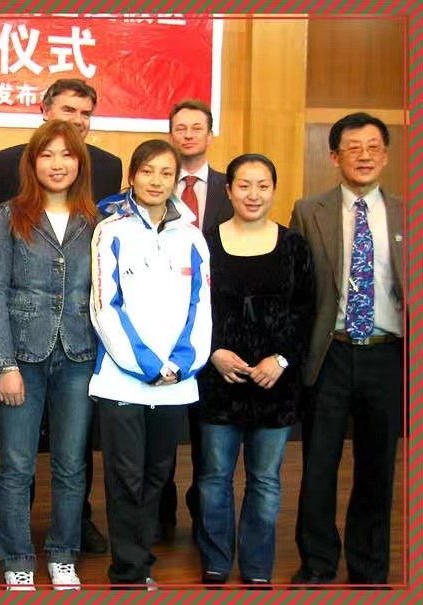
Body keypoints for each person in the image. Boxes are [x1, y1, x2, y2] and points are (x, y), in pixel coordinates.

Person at [0, 77, 121, 554]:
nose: (58, 164)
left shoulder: (97, 222)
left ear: (80, 163)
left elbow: (106, 296)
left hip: (79, 358)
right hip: (22, 355)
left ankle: (64, 553)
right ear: (32, 161)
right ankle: (16, 556)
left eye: (68, 155)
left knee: (71, 464)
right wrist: (4, 364)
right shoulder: (8, 215)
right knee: (17, 465)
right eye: (47, 155)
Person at [90, 139, 211, 587]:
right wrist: (144, 364)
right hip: (123, 379)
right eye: (148, 171)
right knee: (125, 475)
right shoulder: (111, 231)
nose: (156, 181)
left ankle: (140, 562)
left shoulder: (192, 235)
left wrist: (181, 362)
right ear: (132, 177)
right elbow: (104, 305)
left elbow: (202, 305)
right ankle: (129, 570)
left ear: (176, 179)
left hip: (177, 379)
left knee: (158, 473)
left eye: (166, 173)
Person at [291, 113, 403, 586]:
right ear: (334, 156)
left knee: (377, 469)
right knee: (318, 464)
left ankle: (369, 567)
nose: (364, 155)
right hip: (330, 352)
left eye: (373, 146)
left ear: (386, 155)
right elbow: (298, 289)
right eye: (353, 147)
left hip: (386, 353)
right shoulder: (308, 209)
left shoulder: (406, 212)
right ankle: (317, 564)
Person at [196, 154, 315, 586]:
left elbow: (307, 311)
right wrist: (213, 353)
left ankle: (258, 567)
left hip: (275, 385)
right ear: (228, 191)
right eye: (243, 185)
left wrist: (281, 360)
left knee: (265, 481)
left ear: (274, 190)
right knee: (214, 479)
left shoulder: (294, 246)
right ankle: (215, 561)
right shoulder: (203, 243)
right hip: (219, 381)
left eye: (262, 185)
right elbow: (190, 308)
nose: (253, 194)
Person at [159, 100, 233, 543]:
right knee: (164, 434)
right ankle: (160, 512)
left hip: (218, 332)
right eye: (179, 128)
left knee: (211, 436)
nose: (188, 135)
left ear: (209, 135)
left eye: (196, 127)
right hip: (165, 335)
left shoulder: (230, 186)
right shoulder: (155, 185)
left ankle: (205, 509)